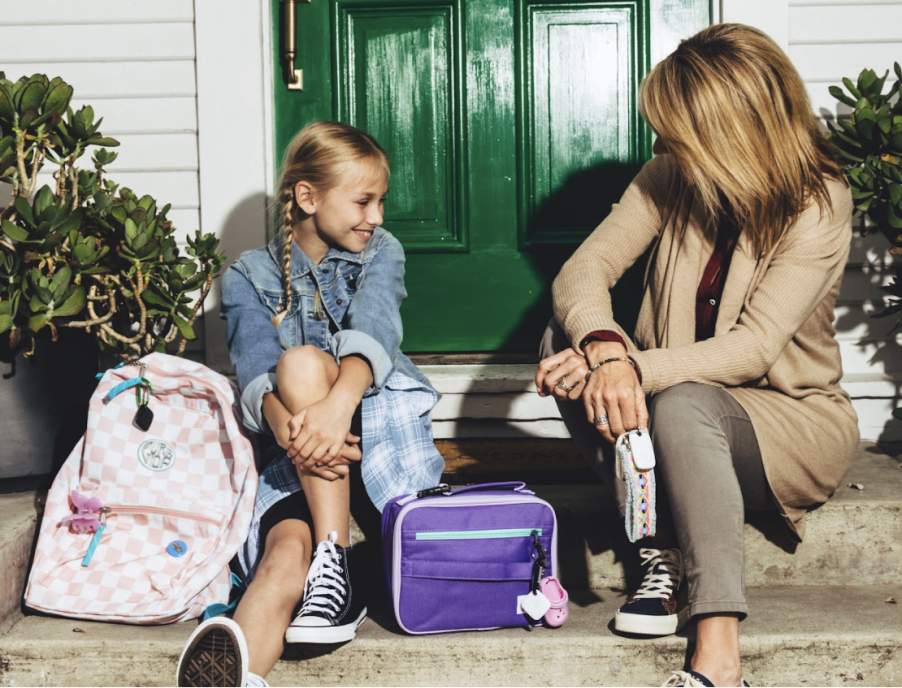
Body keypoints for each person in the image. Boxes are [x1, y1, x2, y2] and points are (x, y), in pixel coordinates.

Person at [535, 23, 857, 688]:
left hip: (787, 422)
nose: (659, 144)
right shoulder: (671, 174)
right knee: (563, 340)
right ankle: (661, 548)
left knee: (681, 406)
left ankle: (719, 659)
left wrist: (631, 367)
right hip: (673, 403)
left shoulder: (820, 202)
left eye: (676, 129)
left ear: (731, 133)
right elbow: (584, 270)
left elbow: (754, 348)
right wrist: (601, 347)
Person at [176, 121, 445, 688]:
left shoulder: (381, 253)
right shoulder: (249, 275)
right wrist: (299, 432)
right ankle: (243, 674)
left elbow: (375, 325)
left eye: (380, 202)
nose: (377, 217)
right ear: (307, 196)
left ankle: (337, 554)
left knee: (298, 363)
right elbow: (252, 365)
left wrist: (331, 411)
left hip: (376, 451)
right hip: (299, 456)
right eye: (364, 201)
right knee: (279, 563)